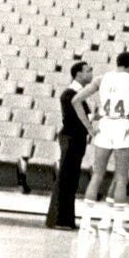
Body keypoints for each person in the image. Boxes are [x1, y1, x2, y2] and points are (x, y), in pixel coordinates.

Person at [75, 49, 129, 237]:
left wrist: (90, 128)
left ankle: (85, 223)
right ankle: (117, 227)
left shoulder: (101, 79)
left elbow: (76, 100)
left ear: (117, 62)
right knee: (121, 177)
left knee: (97, 175)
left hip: (105, 125)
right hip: (123, 125)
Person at [44, 60, 93, 230]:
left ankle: (64, 219)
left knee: (70, 179)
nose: (91, 73)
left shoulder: (77, 93)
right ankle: (59, 219)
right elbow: (79, 118)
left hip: (75, 139)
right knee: (66, 178)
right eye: (88, 71)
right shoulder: (70, 94)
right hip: (71, 138)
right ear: (79, 74)